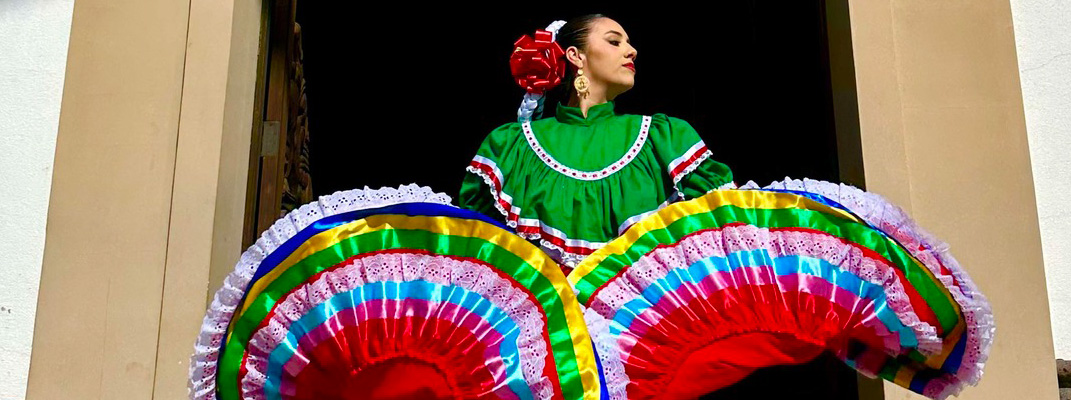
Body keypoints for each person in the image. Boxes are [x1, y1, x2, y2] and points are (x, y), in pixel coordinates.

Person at [460, 15, 734, 268]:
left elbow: (725, 228)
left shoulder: (665, 139)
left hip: (643, 315)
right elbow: (479, 254)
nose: (632, 50)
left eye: (628, 43)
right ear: (575, 56)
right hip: (548, 315)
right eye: (615, 41)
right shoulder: (511, 146)